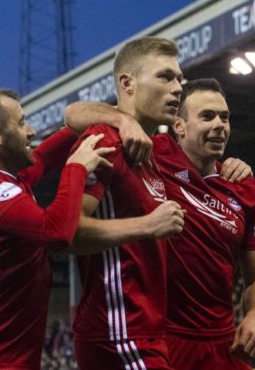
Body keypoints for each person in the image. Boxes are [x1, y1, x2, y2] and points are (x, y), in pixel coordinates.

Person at [65, 77, 255, 369]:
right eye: (207, 116)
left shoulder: (245, 189)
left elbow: (254, 276)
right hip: (163, 339)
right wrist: (123, 120)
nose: (220, 124)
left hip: (224, 343)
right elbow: (73, 114)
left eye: (225, 117)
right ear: (179, 126)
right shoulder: (153, 155)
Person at [0, 88, 115, 369]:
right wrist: (76, 168)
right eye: (21, 122)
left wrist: (114, 119)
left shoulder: (9, 178)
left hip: (12, 359)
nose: (31, 131)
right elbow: (55, 233)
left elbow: (49, 154)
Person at [65, 37, 187, 369]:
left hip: (148, 330)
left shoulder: (150, 151)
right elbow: (69, 233)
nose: (178, 88)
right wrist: (149, 225)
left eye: (180, 79)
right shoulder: (105, 140)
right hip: (119, 333)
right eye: (165, 77)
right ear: (127, 83)